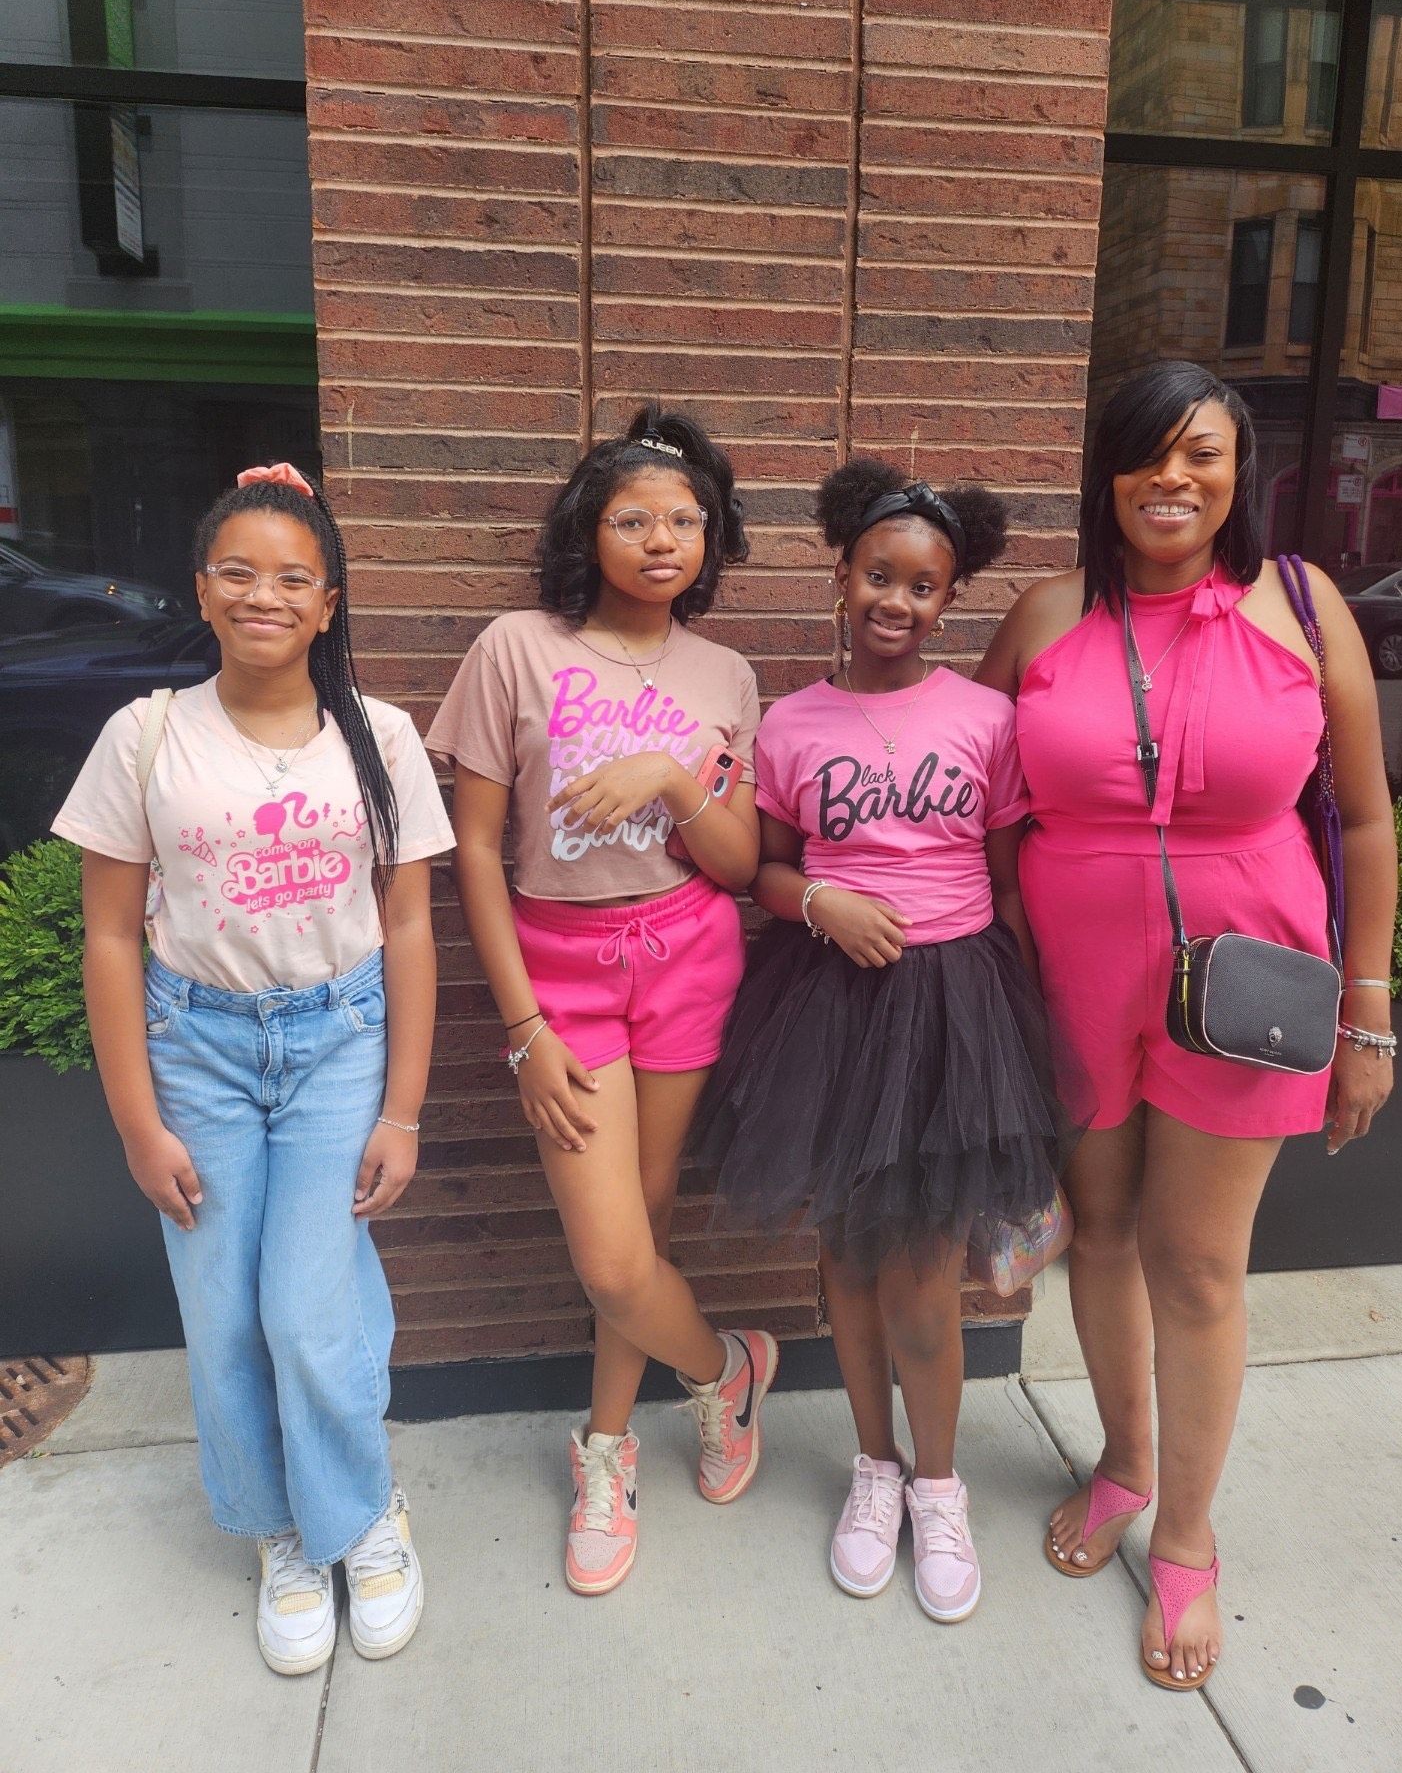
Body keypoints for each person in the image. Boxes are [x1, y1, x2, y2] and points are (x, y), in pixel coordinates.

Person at [977, 361, 1397, 1690]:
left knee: (1201, 1269)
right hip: (1074, 982)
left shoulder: (1304, 607)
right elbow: (975, 802)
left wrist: (1370, 1013)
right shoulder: (1047, 616)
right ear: (1107, 473)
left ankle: (1192, 1538)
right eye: (1149, 455)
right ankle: (1126, 1460)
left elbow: (1371, 822)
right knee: (1094, 1233)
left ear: (1238, 469)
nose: (1175, 479)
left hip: (1252, 983)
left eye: (1201, 455)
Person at [52, 462, 455, 1674]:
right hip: (201, 1050)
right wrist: (135, 1123)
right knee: (223, 1312)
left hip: (337, 1044)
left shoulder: (378, 740)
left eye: (293, 577)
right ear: (202, 590)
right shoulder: (149, 734)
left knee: (307, 1306)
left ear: (330, 600)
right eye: (239, 572)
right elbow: (112, 933)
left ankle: (362, 1513)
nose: (264, 595)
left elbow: (411, 929)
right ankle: (281, 1529)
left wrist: (406, 1110)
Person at [689, 459, 1078, 1624]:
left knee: (924, 1279)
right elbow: (760, 866)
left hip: (955, 1008)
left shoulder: (986, 719)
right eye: (878, 575)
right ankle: (873, 1469)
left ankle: (940, 1487)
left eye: (923, 585)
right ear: (843, 573)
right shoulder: (793, 723)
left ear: (948, 601)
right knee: (848, 1261)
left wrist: (1024, 1030)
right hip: (831, 1005)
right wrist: (819, 901)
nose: (896, 602)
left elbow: (1011, 882)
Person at [427, 406, 776, 1598]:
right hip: (560, 971)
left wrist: (674, 778)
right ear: (591, 530)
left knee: (649, 1215)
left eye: (687, 520)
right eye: (635, 518)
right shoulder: (515, 647)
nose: (663, 538)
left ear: (713, 537)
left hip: (687, 955)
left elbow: (737, 863)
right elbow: (474, 851)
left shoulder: (725, 673)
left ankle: (608, 1450)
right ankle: (726, 1367)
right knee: (616, 1259)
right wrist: (522, 1028)